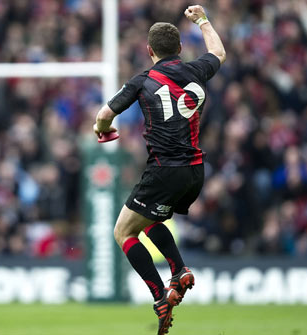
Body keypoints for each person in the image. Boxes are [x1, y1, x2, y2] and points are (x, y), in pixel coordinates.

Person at [93, 5, 226, 335]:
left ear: (149, 50)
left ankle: (159, 296)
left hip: (164, 170)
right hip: (195, 171)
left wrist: (103, 130)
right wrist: (203, 21)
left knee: (123, 232)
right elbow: (219, 52)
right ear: (180, 49)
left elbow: (104, 113)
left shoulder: (142, 80)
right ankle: (178, 270)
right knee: (149, 220)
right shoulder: (196, 70)